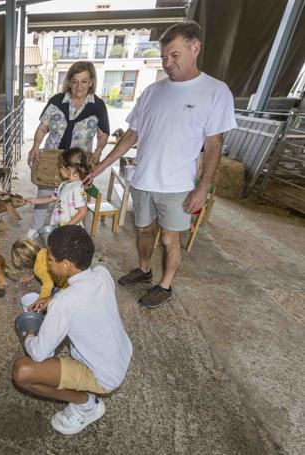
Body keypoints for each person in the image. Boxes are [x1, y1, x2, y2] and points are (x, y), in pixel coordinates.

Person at [86, 21, 236, 309]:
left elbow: (214, 146)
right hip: (143, 179)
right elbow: (131, 135)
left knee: (169, 239)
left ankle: (165, 285)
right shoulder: (153, 92)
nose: (167, 63)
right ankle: (144, 269)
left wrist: (202, 188)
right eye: (164, 57)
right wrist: (102, 166)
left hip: (177, 185)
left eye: (174, 55)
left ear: (195, 48)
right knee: (143, 231)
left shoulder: (216, 91)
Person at [12, 225, 132, 435]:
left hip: (103, 376)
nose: (48, 263)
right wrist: (53, 298)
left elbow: (39, 354)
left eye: (51, 259)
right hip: (120, 355)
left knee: (22, 372)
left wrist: (29, 332)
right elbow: (83, 299)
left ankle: (87, 405)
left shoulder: (65, 303)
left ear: (66, 265)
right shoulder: (102, 274)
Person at [27, 61, 110, 235]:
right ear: (69, 81)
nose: (79, 86)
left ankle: (67, 234)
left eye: (84, 81)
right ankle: (35, 232)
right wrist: (35, 145)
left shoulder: (98, 105)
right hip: (52, 159)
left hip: (78, 163)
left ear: (91, 81)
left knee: (72, 201)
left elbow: (103, 135)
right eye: (75, 81)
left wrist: (98, 151)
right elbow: (43, 127)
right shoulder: (57, 101)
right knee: (45, 192)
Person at [25, 148, 89, 227]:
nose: (59, 170)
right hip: (60, 226)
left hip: (71, 230)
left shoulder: (77, 188)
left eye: (60, 167)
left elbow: (83, 211)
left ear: (70, 169)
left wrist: (67, 227)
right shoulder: (63, 184)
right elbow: (51, 198)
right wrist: (34, 201)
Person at [11, 237, 68, 311]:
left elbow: (48, 284)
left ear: (26, 262)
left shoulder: (38, 268)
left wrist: (39, 302)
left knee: (55, 303)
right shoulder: (43, 251)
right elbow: (43, 268)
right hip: (67, 271)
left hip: (66, 285)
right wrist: (30, 277)